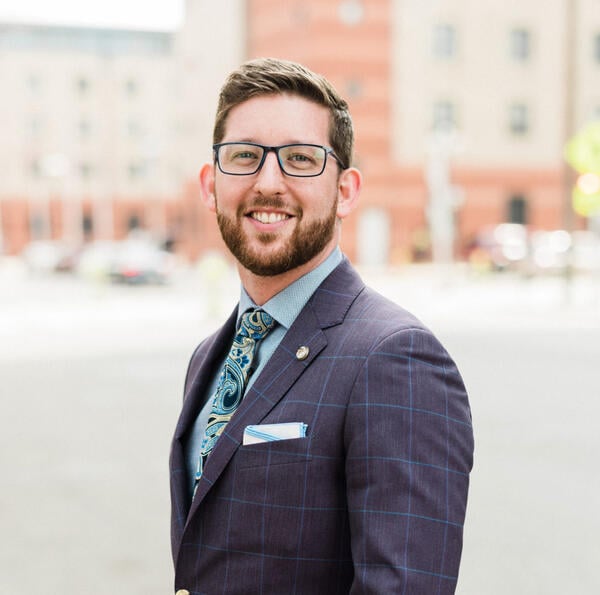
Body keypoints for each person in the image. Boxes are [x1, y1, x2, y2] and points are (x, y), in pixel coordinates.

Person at [169, 57, 474, 595]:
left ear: (346, 191)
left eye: (301, 159)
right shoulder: (208, 356)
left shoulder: (395, 358)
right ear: (210, 184)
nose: (269, 182)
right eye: (244, 156)